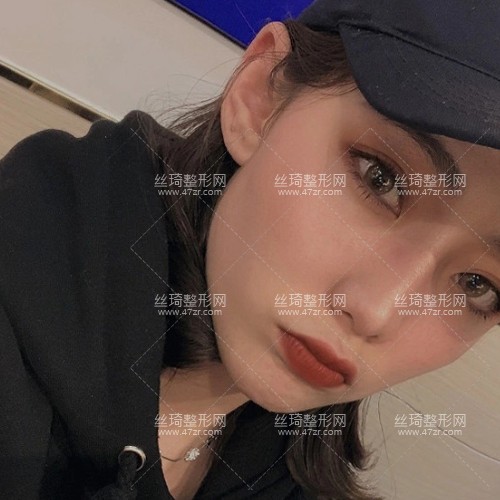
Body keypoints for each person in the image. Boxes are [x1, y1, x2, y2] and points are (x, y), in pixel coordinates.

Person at [1, 0, 499, 499]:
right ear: (259, 99)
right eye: (380, 178)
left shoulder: (289, 472)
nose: (376, 313)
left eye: (477, 284)